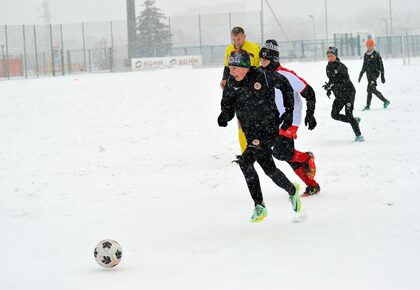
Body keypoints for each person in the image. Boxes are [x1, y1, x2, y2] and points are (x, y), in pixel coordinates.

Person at [217, 49, 301, 223]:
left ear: (246, 67)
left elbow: (286, 86)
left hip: (268, 129)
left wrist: (289, 113)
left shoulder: (263, 76)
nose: (231, 72)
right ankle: (292, 190)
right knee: (270, 170)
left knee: (245, 161)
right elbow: (227, 105)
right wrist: (224, 116)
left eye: (234, 68)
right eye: (230, 68)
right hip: (251, 132)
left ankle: (259, 205)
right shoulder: (232, 84)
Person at [259, 39, 320, 197]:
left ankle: (306, 157)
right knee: (288, 156)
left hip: (290, 119)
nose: (261, 62)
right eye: (260, 59)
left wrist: (310, 113)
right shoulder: (261, 75)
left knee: (280, 153)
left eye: (265, 60)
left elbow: (310, 92)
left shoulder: (286, 75)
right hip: (273, 121)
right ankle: (312, 185)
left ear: (274, 60)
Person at [220, 27, 261, 153]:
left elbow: (259, 67)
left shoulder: (254, 48)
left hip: (252, 86)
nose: (236, 42)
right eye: (233, 39)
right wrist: (224, 79)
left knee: (256, 119)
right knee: (241, 120)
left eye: (238, 39)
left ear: (244, 37)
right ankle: (245, 151)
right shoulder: (228, 49)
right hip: (237, 87)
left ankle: (258, 146)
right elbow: (227, 67)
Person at [323, 46, 365, 142]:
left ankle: (359, 136)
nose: (329, 58)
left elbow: (344, 81)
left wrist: (334, 83)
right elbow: (331, 79)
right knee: (334, 115)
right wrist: (329, 87)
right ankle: (354, 121)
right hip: (339, 95)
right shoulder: (328, 67)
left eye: (331, 56)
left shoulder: (341, 67)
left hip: (348, 93)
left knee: (348, 114)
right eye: (328, 56)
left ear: (336, 55)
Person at [358, 38, 390, 111]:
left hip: (374, 74)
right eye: (368, 46)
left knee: (370, 88)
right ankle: (385, 101)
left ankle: (368, 106)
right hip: (368, 74)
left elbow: (381, 66)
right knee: (371, 89)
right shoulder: (366, 54)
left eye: (370, 46)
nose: (369, 47)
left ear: (373, 46)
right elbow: (364, 65)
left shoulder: (376, 54)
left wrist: (382, 76)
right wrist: (361, 74)